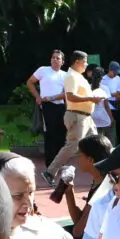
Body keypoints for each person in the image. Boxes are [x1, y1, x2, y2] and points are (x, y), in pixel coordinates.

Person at [48, 52, 106, 189]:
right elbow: (71, 97)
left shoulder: (79, 77)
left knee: (98, 146)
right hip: (77, 116)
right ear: (77, 62)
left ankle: (101, 176)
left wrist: (93, 94)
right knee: (73, 146)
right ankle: (50, 172)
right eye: (85, 61)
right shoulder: (72, 76)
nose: (86, 64)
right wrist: (91, 99)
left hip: (86, 117)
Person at [30, 50, 67, 158]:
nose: (55, 59)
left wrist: (53, 97)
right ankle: (49, 164)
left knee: (61, 133)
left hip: (60, 106)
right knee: (50, 134)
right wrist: (37, 97)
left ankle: (59, 162)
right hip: (47, 106)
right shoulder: (43, 70)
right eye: (53, 57)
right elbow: (30, 82)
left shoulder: (65, 75)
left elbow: (67, 93)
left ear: (62, 62)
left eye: (58, 58)